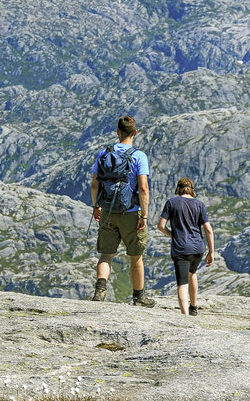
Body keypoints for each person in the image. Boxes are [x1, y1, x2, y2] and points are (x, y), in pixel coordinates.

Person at [90, 115, 154, 307]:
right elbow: (143, 188)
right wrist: (144, 214)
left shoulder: (104, 153)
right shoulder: (139, 156)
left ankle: (100, 292)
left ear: (118, 132)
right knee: (136, 257)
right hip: (131, 212)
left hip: (108, 210)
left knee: (107, 254)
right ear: (135, 133)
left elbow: (95, 184)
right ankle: (139, 297)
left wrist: (96, 206)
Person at [157, 177, 214, 316]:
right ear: (192, 189)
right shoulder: (200, 204)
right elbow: (208, 229)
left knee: (182, 283)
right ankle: (193, 307)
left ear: (178, 188)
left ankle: (185, 317)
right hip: (198, 248)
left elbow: (160, 226)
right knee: (192, 273)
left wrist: (172, 235)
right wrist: (211, 252)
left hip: (181, 248)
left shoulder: (172, 203)